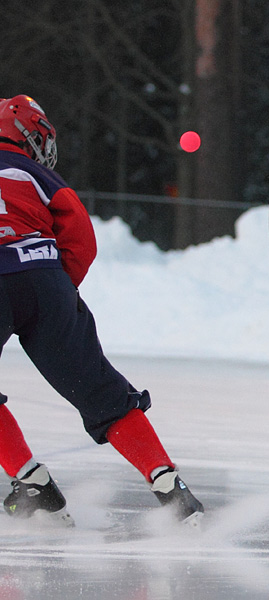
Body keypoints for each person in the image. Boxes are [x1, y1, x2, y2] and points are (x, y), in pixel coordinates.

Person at [0, 95, 203, 526]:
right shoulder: (37, 173)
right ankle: (168, 483)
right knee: (100, 391)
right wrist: (53, 290)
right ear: (27, 135)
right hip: (44, 278)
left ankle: (31, 481)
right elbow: (80, 239)